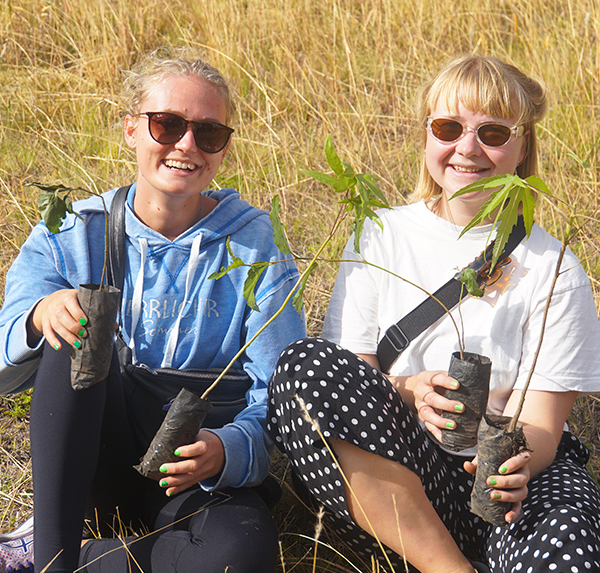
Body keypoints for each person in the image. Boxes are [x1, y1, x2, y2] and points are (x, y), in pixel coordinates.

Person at [267, 55, 600, 572]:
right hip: (398, 483)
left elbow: (541, 426)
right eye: (448, 127)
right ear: (426, 137)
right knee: (302, 366)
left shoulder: (555, 265)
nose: (467, 148)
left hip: (504, 475)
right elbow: (351, 371)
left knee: (565, 548)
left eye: (492, 132)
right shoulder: (378, 233)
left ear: (523, 147)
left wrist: (515, 466)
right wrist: (410, 388)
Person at [0, 51, 306, 573]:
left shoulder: (257, 245)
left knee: (242, 556)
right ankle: (51, 558)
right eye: (167, 125)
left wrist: (227, 448)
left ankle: (76, 556)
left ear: (224, 148)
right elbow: (6, 360)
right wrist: (40, 313)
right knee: (74, 334)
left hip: (192, 472)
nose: (187, 145)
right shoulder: (75, 229)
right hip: (89, 468)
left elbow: (280, 388)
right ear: (130, 130)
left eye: (208, 133)